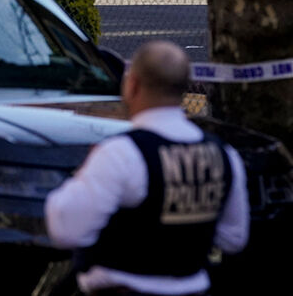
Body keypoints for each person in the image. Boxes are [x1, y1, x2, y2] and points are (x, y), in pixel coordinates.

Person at [45, 40, 249, 296]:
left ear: (132, 85)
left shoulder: (121, 154)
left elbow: (66, 230)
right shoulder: (224, 155)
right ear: (183, 88)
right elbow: (234, 238)